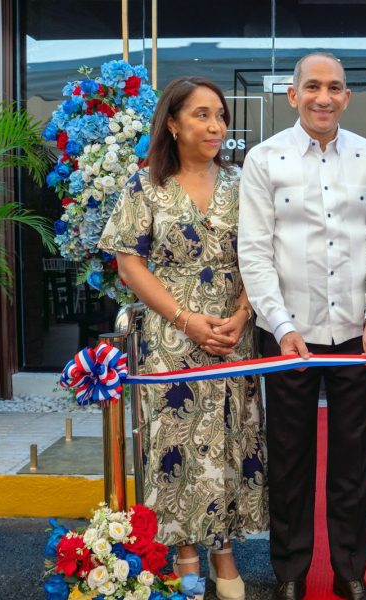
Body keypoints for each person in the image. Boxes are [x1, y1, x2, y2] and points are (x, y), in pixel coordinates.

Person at [237, 52, 366, 600]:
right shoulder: (264, 160)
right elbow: (254, 254)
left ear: (347, 97)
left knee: (354, 460)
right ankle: (290, 575)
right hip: (288, 334)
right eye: (312, 86)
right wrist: (280, 326)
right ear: (293, 94)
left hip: (359, 333)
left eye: (334, 87)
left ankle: (351, 570)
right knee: (289, 458)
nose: (323, 97)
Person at [99, 76, 268, 600]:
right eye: (201, 114)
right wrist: (184, 318)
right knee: (175, 442)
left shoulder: (244, 183)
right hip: (172, 335)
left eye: (219, 114)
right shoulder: (145, 184)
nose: (216, 125)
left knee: (229, 437)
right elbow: (129, 262)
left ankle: (224, 550)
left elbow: (265, 259)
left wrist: (242, 315)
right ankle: (186, 551)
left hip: (233, 333)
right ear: (172, 123)